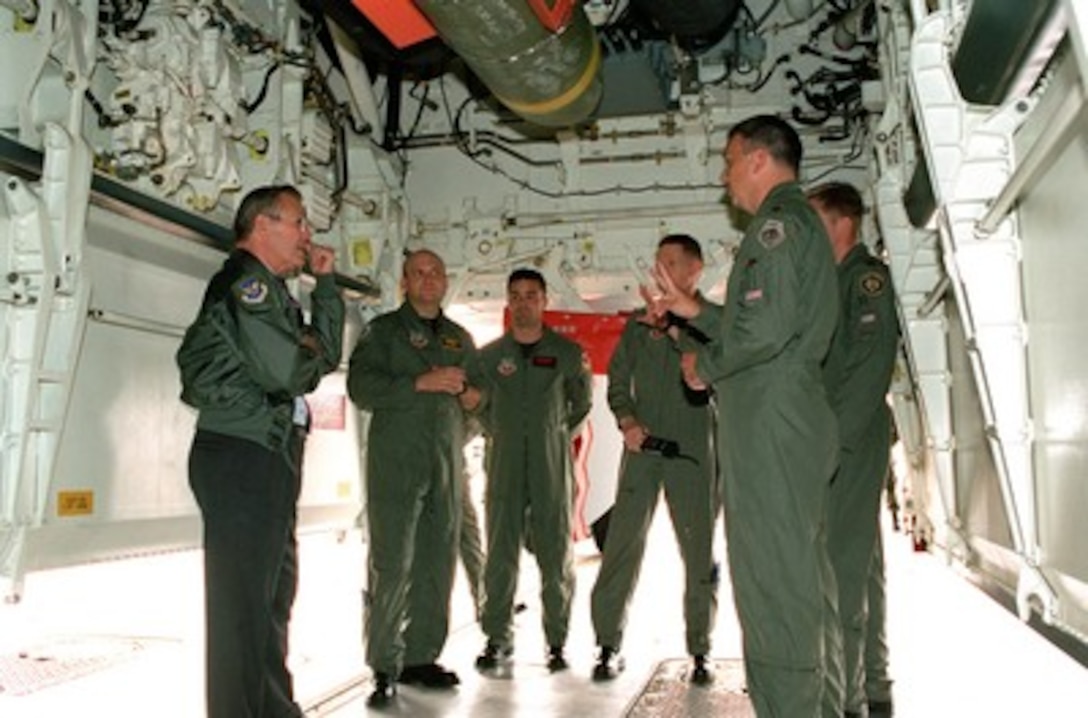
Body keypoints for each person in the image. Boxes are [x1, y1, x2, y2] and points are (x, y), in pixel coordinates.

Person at [647, 115, 843, 715]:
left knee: (772, 589)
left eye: (729, 161)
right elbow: (762, 324)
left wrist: (704, 366)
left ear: (759, 159)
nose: (724, 176)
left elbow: (761, 334)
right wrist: (697, 310)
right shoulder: (795, 225)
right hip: (782, 418)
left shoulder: (775, 228)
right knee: (793, 578)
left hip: (771, 426)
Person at [176, 184, 345, 718]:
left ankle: (273, 709)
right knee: (240, 609)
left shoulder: (274, 292)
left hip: (270, 452)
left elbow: (323, 355)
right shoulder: (248, 284)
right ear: (263, 224)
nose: (306, 235)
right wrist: (306, 353)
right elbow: (289, 370)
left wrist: (327, 289)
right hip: (241, 454)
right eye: (298, 223)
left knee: (272, 598)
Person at [347, 249, 482, 707]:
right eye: (418, 273)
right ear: (405, 282)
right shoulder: (383, 333)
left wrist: (469, 400)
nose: (428, 280)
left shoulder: (460, 340)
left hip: (445, 463)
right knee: (391, 563)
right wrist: (417, 385)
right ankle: (384, 663)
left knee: (435, 563)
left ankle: (421, 657)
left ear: (446, 282)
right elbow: (360, 389)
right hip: (396, 464)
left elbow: (479, 403)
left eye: (435, 273)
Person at [589, 234, 720, 685]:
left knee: (698, 551)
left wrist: (671, 327)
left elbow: (713, 372)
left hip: (693, 451)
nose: (658, 271)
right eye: (656, 263)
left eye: (669, 263)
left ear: (694, 271)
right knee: (622, 545)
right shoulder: (636, 326)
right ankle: (607, 643)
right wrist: (627, 421)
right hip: (642, 449)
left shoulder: (711, 323)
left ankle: (700, 649)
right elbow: (618, 382)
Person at [808, 182, 899, 718]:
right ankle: (873, 683)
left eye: (815, 221)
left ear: (842, 224)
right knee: (862, 565)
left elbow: (868, 370)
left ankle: (844, 697)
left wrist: (830, 444)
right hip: (845, 438)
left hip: (850, 440)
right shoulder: (833, 283)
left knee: (841, 569)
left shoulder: (865, 281)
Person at [473, 268, 592, 674]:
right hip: (503, 462)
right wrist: (500, 434)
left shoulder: (567, 354)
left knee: (556, 552)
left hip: (550, 463)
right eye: (516, 296)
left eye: (531, 295)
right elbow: (478, 408)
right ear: (508, 301)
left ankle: (556, 641)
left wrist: (554, 435)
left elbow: (581, 405)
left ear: (544, 300)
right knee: (500, 552)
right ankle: (497, 637)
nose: (523, 303)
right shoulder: (488, 358)